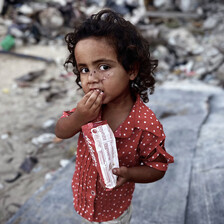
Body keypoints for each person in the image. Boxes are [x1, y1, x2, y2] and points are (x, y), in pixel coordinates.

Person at [55, 9, 174, 224]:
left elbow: (157, 168)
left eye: (103, 67)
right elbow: (61, 131)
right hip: (83, 200)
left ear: (131, 70)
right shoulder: (89, 109)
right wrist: (78, 118)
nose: (91, 78)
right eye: (83, 69)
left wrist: (130, 173)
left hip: (114, 213)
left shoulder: (144, 125)